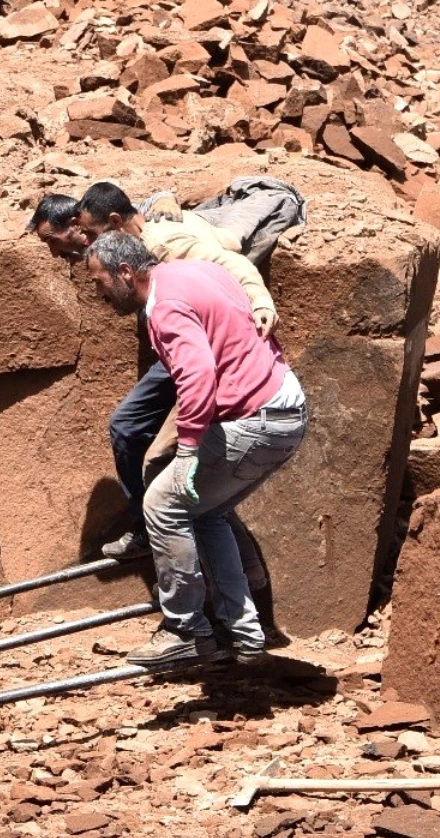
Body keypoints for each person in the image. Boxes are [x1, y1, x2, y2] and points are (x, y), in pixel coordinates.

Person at [83, 231, 307, 665]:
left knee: (163, 507)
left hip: (255, 419)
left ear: (126, 273)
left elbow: (198, 374)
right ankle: (243, 634)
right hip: (283, 409)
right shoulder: (193, 271)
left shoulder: (162, 309)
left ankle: (185, 629)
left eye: (99, 281)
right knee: (205, 511)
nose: (98, 292)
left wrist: (187, 449)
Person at [70, 182, 281, 563]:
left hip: (203, 350)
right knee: (128, 427)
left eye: (91, 232)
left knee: (161, 460)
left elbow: (232, 263)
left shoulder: (165, 245)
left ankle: (164, 533)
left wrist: (261, 301)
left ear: (115, 223)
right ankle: (149, 526)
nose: (86, 241)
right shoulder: (135, 239)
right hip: (178, 349)